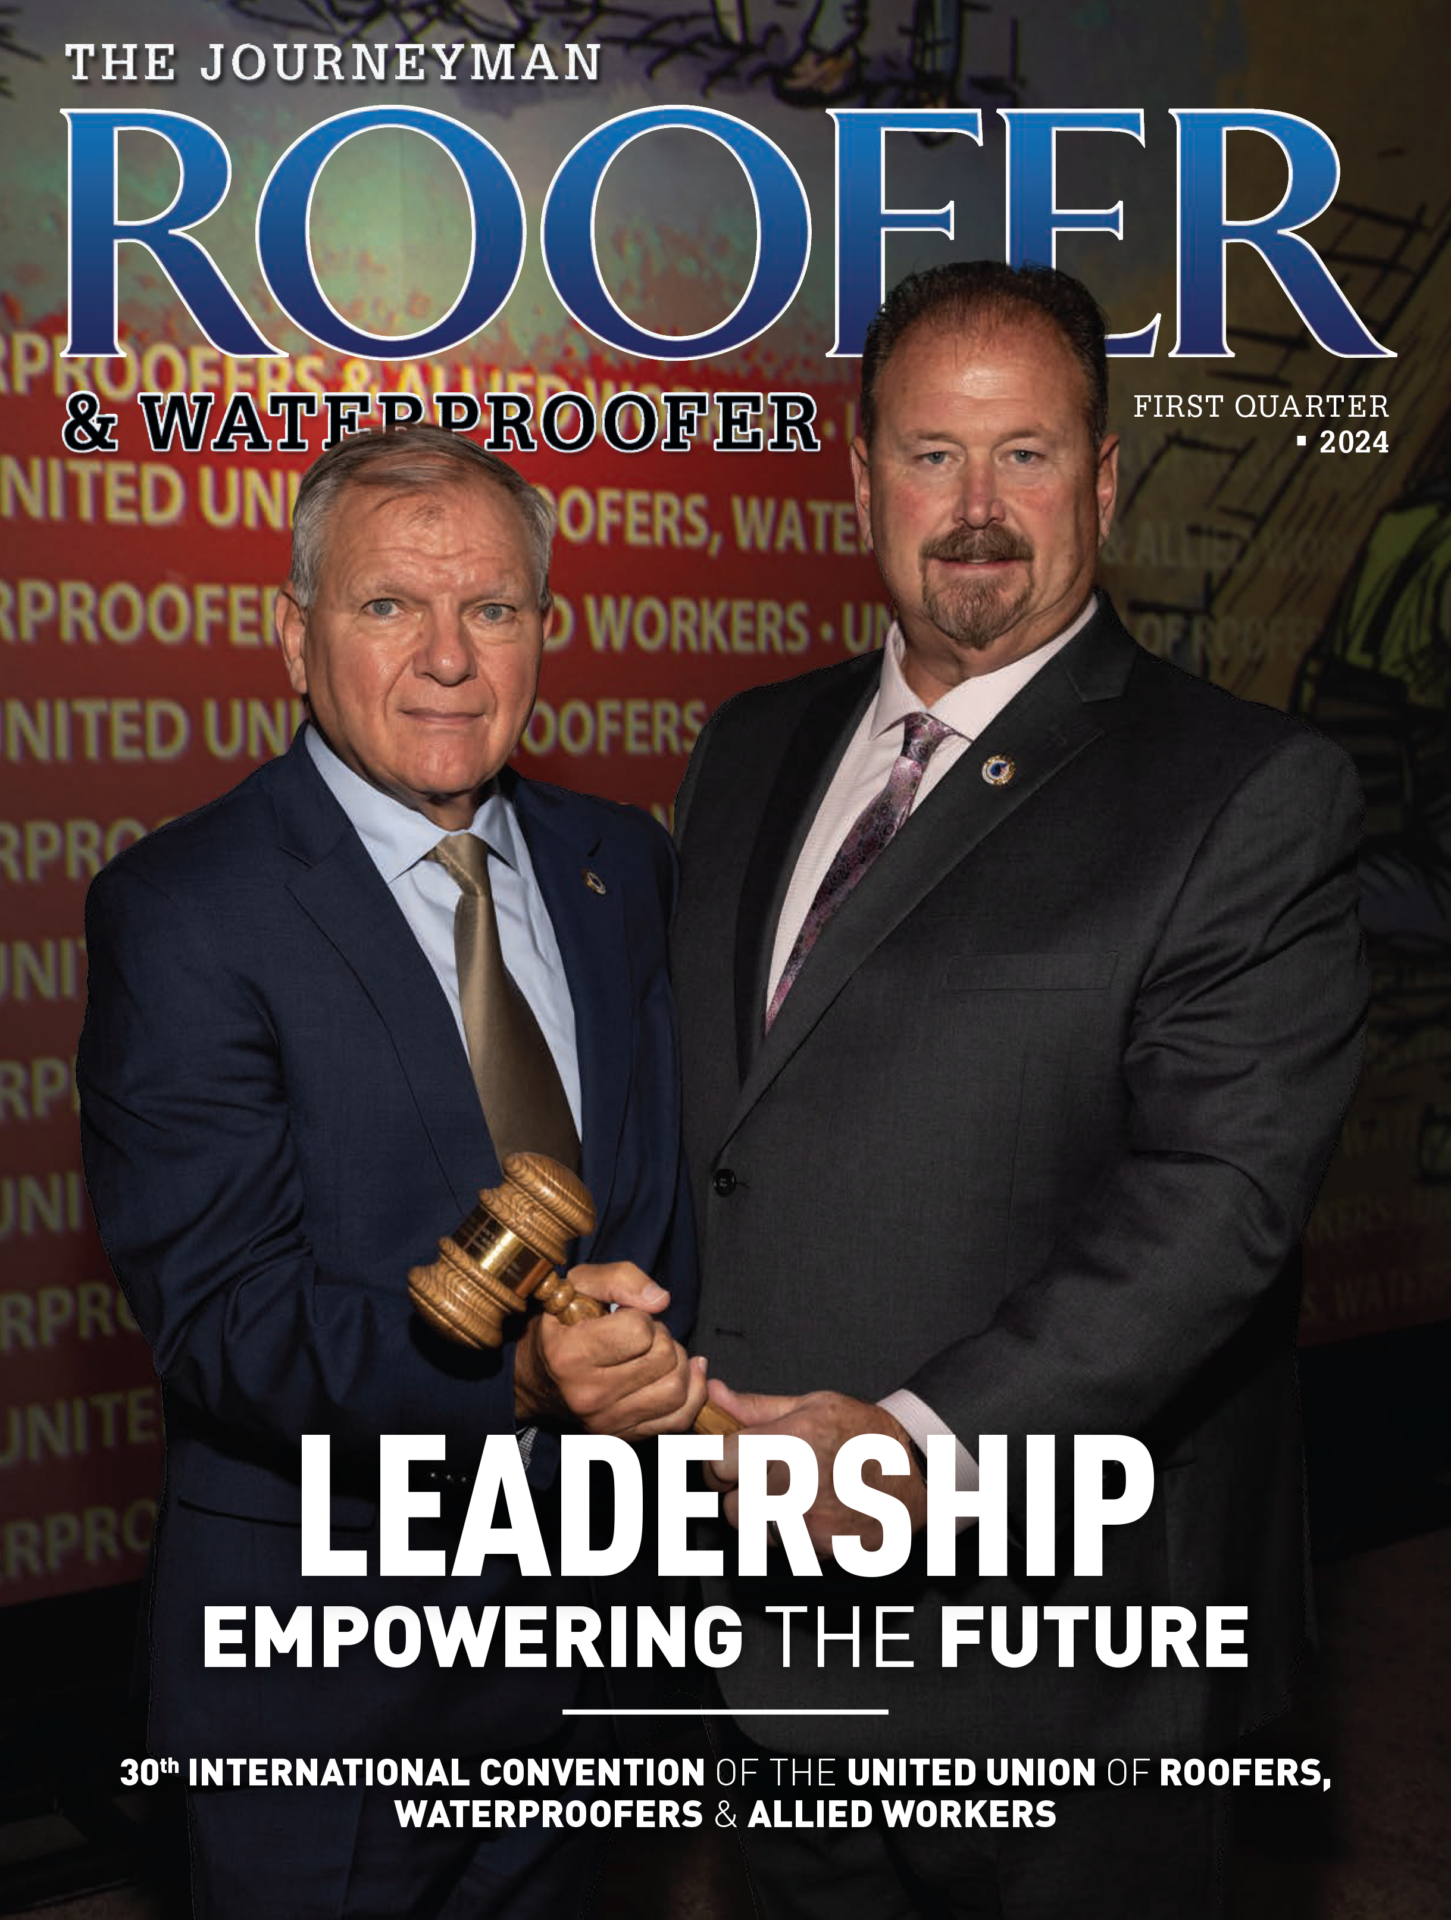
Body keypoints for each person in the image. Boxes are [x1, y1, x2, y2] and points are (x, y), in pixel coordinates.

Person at [671, 262, 1367, 1918]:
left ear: (1104, 481)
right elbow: (728, 1136)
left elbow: (1218, 1206)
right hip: (757, 1631)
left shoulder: (1244, 790)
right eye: (928, 455)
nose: (974, 512)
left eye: (1026, 455)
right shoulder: (745, 747)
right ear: (857, 479)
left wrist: (914, 1446)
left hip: (1056, 1661)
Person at [77, 427, 707, 1919]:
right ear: (289, 634)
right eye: (387, 608)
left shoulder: (621, 862)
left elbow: (678, 1195)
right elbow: (224, 1318)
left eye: (492, 608)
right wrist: (526, 1382)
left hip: (595, 1648)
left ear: (543, 633)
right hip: (329, 1686)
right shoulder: (182, 909)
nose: (448, 658)